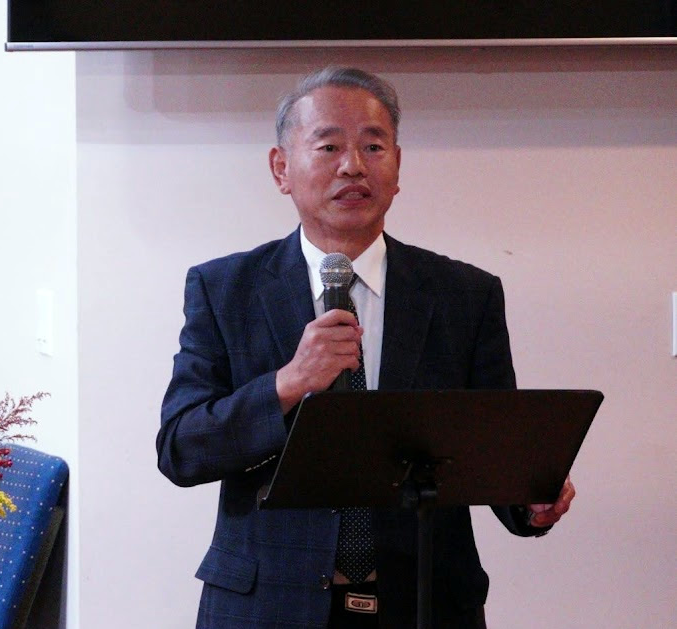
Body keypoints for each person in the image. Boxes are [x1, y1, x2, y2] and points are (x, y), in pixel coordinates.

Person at [156, 67, 575, 629]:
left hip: (425, 604)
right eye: (329, 146)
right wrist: (288, 384)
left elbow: (493, 445)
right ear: (281, 168)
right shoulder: (224, 289)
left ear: (397, 166)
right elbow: (181, 449)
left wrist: (531, 498)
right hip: (267, 606)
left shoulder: (464, 295)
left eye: (373, 147)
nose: (352, 165)